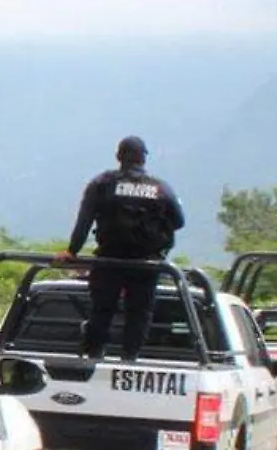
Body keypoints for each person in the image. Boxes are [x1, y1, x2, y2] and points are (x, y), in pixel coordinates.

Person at [55, 136, 185, 361]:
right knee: (139, 313)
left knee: (102, 310)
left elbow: (84, 222)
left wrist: (72, 252)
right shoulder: (161, 188)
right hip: (146, 263)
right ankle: (130, 357)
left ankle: (94, 355)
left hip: (109, 260)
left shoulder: (102, 184)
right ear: (143, 159)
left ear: (118, 157)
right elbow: (179, 221)